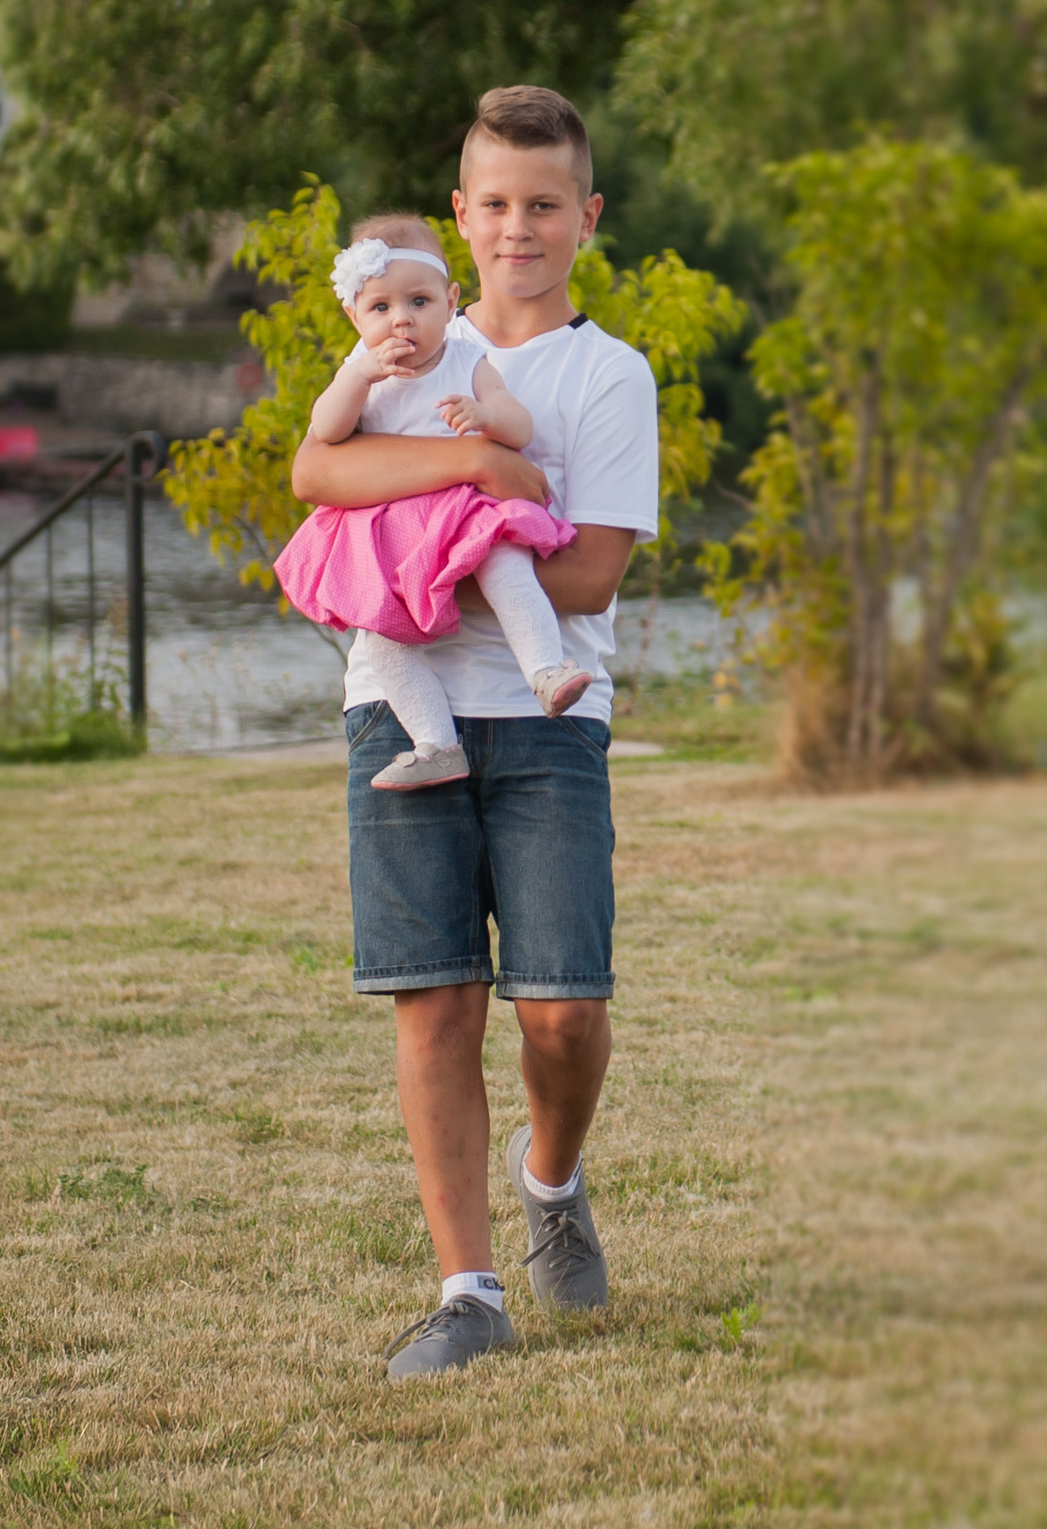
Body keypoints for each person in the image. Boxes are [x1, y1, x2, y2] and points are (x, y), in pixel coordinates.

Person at [291, 87, 659, 1378]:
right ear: (459, 215)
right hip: (399, 706)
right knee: (434, 998)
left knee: (561, 1009)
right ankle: (469, 1290)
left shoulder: (606, 375)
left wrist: (422, 530)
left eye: (544, 204)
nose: (518, 228)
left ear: (586, 216)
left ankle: (549, 1176)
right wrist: (482, 478)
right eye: (495, 203)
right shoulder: (396, 334)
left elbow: (591, 571)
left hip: (548, 712)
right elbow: (316, 475)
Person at [275, 214, 593, 793]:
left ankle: (546, 669)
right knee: (382, 637)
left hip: (463, 512)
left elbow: (519, 425)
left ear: (450, 303)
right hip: (392, 529)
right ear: (354, 316)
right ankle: (435, 743)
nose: (401, 319)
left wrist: (486, 416)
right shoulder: (361, 371)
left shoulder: (466, 361)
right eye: (380, 307)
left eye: (418, 302)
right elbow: (326, 430)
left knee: (506, 567)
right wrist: (359, 375)